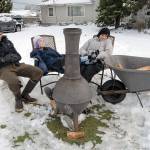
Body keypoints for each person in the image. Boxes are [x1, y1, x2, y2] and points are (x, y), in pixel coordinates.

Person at [0, 32, 43, 112]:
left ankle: (25, 95)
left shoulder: (7, 42)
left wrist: (7, 58)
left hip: (16, 64)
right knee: (14, 81)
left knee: (38, 72)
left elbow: (18, 56)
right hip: (3, 69)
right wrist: (7, 58)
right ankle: (18, 98)